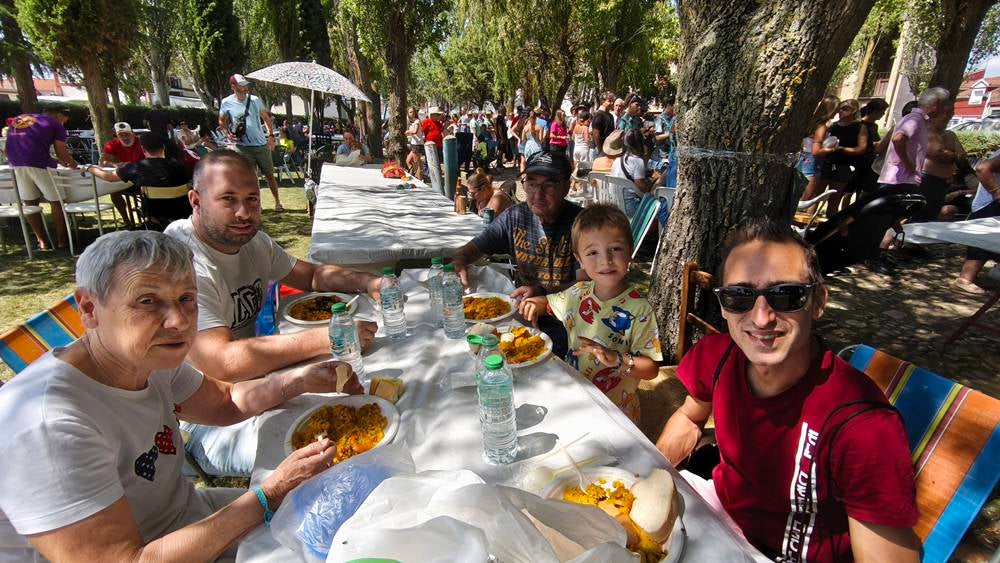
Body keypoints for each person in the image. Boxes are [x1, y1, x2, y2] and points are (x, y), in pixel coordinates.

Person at [0, 230, 364, 562]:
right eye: (147, 301)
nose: (178, 321)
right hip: (154, 552)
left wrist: (299, 380)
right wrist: (270, 494)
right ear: (89, 309)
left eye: (186, 298)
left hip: (186, 517)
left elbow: (225, 402)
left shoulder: (147, 357)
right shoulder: (50, 427)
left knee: (351, 508)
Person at [655, 219, 920, 562]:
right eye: (739, 297)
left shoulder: (864, 428)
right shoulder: (716, 356)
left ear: (818, 301)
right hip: (716, 515)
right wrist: (652, 479)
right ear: (722, 306)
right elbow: (691, 418)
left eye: (786, 295)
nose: (761, 318)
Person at [164, 150, 380, 382]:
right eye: (228, 199)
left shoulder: (255, 242)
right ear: (196, 201)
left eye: (252, 199)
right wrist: (331, 337)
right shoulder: (178, 264)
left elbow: (312, 276)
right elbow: (221, 362)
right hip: (205, 394)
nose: (244, 213)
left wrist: (369, 281)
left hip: (253, 379)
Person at [518, 204, 662, 424]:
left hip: (617, 411)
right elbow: (550, 304)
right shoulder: (577, 292)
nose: (606, 260)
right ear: (580, 259)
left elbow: (651, 369)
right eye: (593, 252)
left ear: (630, 252)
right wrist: (535, 302)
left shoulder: (640, 310)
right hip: (577, 398)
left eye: (615, 248)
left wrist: (617, 359)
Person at [452, 150, 582, 357]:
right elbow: (474, 247)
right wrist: (460, 260)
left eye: (549, 184)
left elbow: (590, 283)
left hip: (571, 322)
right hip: (523, 318)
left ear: (566, 187)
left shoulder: (582, 224)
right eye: (531, 183)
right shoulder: (515, 217)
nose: (538, 193)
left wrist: (543, 292)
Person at [85, 132, 193, 230]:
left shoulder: (137, 168)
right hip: (185, 218)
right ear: (163, 147)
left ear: (143, 150)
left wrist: (89, 168)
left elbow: (108, 177)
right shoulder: (179, 166)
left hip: (156, 220)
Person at [5, 107, 77, 249]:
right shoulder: (55, 124)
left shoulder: (19, 119)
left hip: (16, 164)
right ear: (59, 115)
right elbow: (61, 151)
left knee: (30, 203)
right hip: (41, 166)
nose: (63, 124)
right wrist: (73, 163)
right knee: (57, 202)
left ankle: (42, 241)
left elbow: (12, 148)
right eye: (64, 121)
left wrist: (53, 160)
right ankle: (62, 241)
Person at [218, 73, 283, 212]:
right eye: (241, 85)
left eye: (245, 85)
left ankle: (277, 202)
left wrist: (271, 136)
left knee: (270, 175)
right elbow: (221, 121)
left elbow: (266, 118)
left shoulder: (254, 100)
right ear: (233, 86)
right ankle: (257, 205)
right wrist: (228, 135)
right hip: (243, 147)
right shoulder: (226, 102)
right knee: (250, 179)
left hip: (261, 145)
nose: (245, 88)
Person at [953, 152, 1000, 295]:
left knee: (987, 241)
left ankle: (971, 277)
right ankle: (965, 279)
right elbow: (982, 168)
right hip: (989, 204)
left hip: (990, 204)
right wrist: (997, 192)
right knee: (982, 242)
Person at [916, 101, 963, 223]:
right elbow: (939, 155)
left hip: (942, 184)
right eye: (944, 113)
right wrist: (954, 155)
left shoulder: (950, 134)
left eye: (950, 113)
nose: (947, 117)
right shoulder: (926, 132)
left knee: (931, 218)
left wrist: (953, 155)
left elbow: (962, 155)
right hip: (925, 181)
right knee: (917, 216)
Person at [822, 99, 869, 216]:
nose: (840, 111)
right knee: (816, 197)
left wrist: (841, 149)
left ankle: (829, 225)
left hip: (843, 166)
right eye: (840, 109)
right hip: (826, 164)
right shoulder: (833, 126)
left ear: (854, 111)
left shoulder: (860, 127)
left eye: (845, 109)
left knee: (834, 201)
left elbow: (861, 148)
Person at [797, 95, 840, 203]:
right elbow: (816, 151)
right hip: (811, 162)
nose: (837, 112)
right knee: (803, 200)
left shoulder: (810, 122)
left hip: (803, 159)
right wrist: (833, 149)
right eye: (837, 109)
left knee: (798, 198)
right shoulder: (821, 126)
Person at [611, 130, 661, 217]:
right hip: (630, 206)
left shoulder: (617, 160)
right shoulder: (637, 160)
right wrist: (655, 179)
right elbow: (642, 187)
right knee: (658, 211)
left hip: (615, 204)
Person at [851, 99, 889, 194]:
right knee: (850, 190)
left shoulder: (874, 126)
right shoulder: (858, 125)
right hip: (857, 161)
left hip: (869, 162)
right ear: (875, 111)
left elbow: (875, 142)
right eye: (883, 111)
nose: (883, 114)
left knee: (861, 190)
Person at [654, 100, 677, 187]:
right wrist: (670, 133)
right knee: (662, 178)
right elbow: (657, 137)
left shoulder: (672, 119)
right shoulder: (659, 119)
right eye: (674, 107)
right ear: (668, 106)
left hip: (669, 153)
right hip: (661, 154)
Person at [590, 92, 617, 158]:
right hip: (598, 149)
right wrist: (600, 151)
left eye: (613, 101)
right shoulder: (599, 115)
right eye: (609, 101)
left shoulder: (611, 116)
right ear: (603, 101)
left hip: (607, 149)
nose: (611, 103)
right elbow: (596, 134)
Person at [404, 107, 425, 180]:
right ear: (408, 113)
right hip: (414, 144)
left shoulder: (417, 121)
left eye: (413, 112)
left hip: (417, 145)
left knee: (417, 163)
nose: (412, 113)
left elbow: (415, 131)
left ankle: (419, 179)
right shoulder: (412, 122)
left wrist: (408, 132)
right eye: (410, 112)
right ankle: (412, 175)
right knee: (408, 161)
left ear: (415, 113)